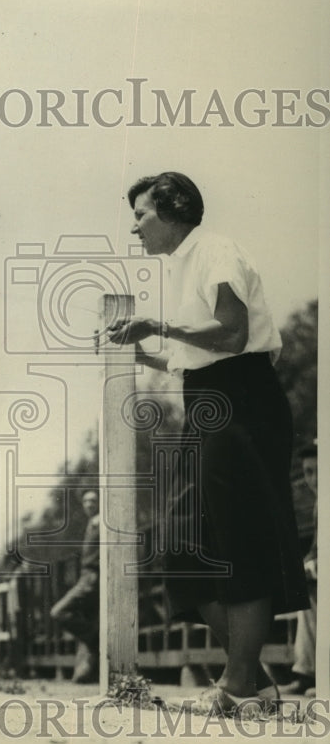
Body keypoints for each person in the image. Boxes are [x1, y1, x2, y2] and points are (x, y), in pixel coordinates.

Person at [108, 171, 308, 716]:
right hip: (207, 400)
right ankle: (255, 682)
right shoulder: (182, 265)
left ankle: (238, 686)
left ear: (173, 210)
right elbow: (197, 355)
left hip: (242, 405)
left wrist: (160, 325)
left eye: (142, 214)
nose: (135, 227)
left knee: (238, 542)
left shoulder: (215, 249)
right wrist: (139, 348)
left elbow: (233, 333)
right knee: (181, 544)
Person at [49, 489, 100, 682]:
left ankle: (95, 640)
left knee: (58, 612)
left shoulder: (100, 523)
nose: (89, 505)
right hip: (86, 576)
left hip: (92, 578)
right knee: (86, 619)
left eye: (93, 501)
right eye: (86, 502)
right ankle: (88, 667)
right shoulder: (91, 524)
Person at [280, 441, 318, 696]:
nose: (313, 479)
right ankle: (305, 673)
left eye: (319, 470)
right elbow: (316, 548)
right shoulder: (320, 505)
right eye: (308, 472)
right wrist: (305, 565)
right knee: (305, 594)